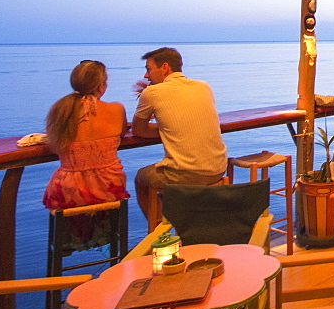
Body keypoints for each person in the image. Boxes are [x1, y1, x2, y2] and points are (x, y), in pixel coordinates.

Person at [131, 47, 227, 221]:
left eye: (148, 69)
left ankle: (160, 234)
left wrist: (166, 129)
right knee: (171, 178)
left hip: (187, 174)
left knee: (141, 179)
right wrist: (171, 129)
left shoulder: (151, 92)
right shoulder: (203, 86)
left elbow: (138, 130)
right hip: (218, 168)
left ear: (165, 67)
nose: (146, 76)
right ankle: (182, 220)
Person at [43, 60, 129, 217]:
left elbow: (53, 140)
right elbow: (121, 132)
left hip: (69, 189)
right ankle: (113, 239)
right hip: (108, 186)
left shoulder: (59, 110)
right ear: (101, 86)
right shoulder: (117, 109)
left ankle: (67, 240)